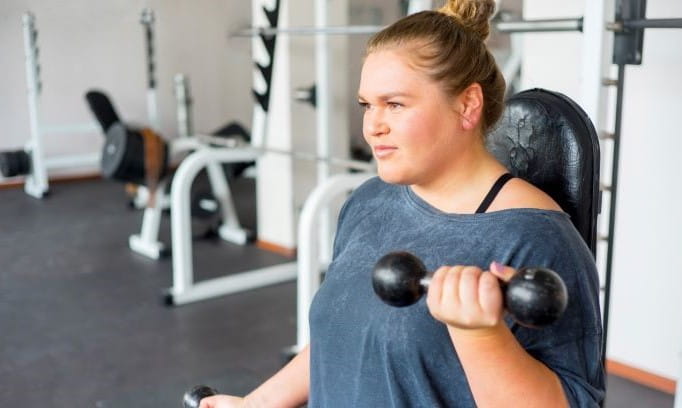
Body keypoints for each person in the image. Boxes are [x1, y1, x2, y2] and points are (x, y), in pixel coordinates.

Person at [201, 0, 604, 406]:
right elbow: (343, 339)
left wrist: (481, 335)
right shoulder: (368, 201)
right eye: (367, 105)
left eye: (394, 104)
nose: (373, 126)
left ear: (467, 105)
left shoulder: (536, 237)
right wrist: (257, 403)